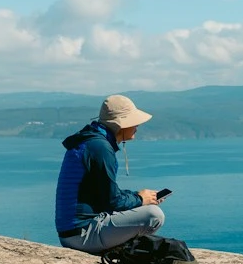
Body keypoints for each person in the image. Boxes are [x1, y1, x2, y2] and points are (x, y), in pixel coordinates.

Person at [55, 94, 165, 255]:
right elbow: (113, 201)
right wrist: (140, 199)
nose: (137, 126)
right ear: (121, 124)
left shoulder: (91, 141)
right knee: (153, 215)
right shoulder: (100, 148)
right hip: (82, 234)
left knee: (146, 206)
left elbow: (105, 195)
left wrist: (139, 197)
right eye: (134, 122)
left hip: (75, 230)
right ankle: (125, 255)